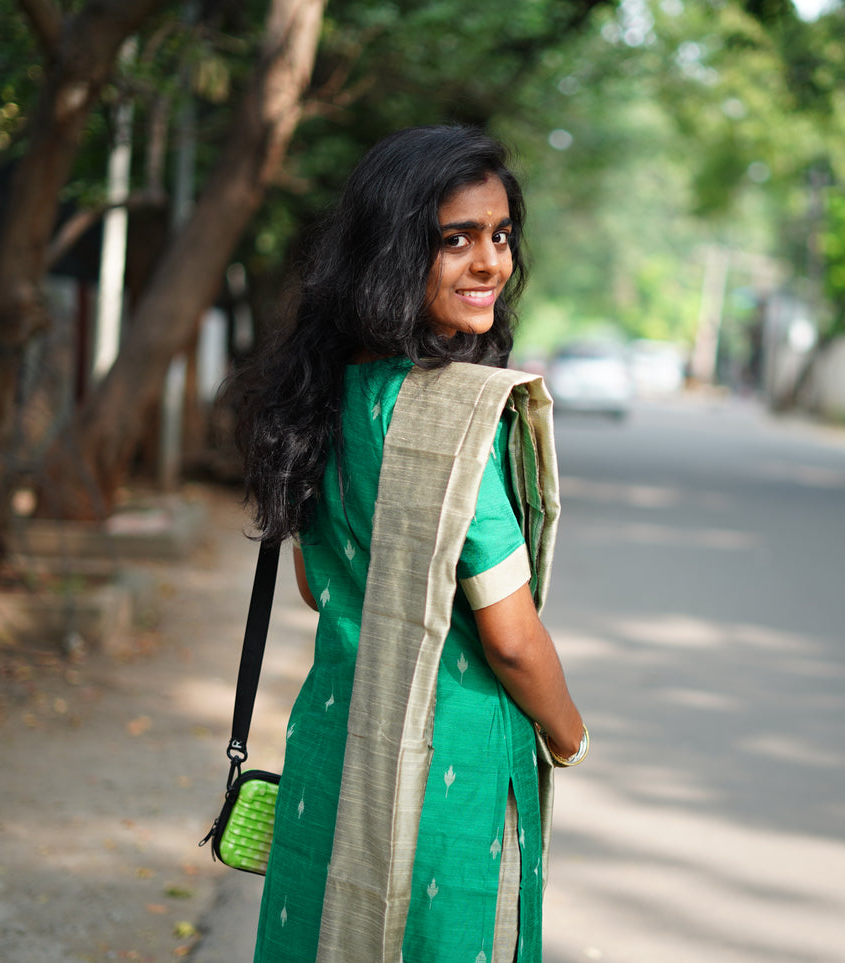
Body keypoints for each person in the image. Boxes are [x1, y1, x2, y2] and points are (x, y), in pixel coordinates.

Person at [233, 126, 585, 962]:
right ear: (392, 252)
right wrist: (569, 732)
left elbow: (319, 585)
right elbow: (509, 634)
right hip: (445, 766)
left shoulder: (322, 394)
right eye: (454, 239)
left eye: (499, 236)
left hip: (335, 742)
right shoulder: (457, 418)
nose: (490, 263)